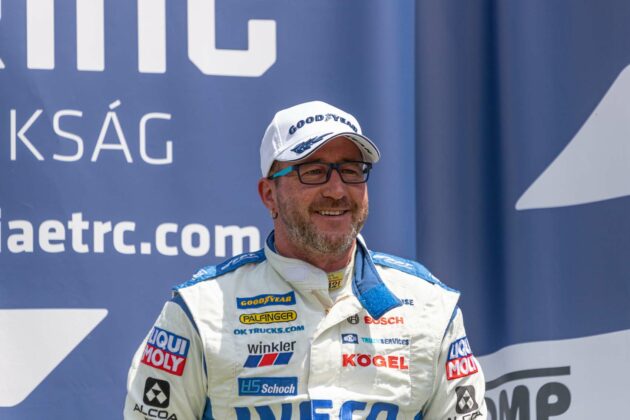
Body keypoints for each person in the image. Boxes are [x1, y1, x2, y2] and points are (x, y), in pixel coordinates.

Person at [124, 100, 486, 419]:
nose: (336, 190)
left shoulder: (429, 306)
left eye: (351, 170)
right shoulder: (200, 309)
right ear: (269, 194)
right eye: (313, 171)